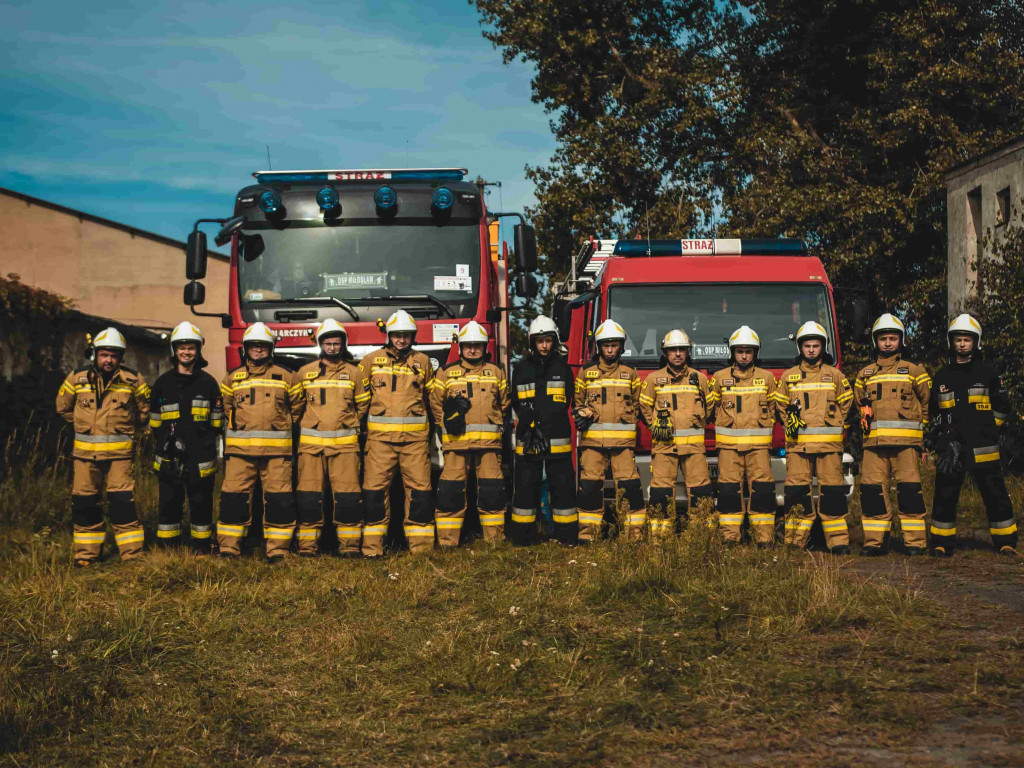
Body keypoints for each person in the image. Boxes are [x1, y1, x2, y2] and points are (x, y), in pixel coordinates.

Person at [55, 327, 151, 566]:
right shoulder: (76, 379)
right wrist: (85, 424)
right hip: (85, 457)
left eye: (114, 355)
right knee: (85, 504)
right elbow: (63, 408)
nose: (109, 360)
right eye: (104, 354)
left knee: (122, 503)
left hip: (120, 457)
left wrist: (126, 428)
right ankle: (86, 555)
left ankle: (132, 555)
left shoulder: (134, 380)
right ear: (95, 354)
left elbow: (144, 412)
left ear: (121, 357)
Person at [929, 314, 1018, 557]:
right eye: (958, 339)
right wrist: (941, 442)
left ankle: (1005, 542)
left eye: (967, 339)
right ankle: (941, 542)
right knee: (945, 495)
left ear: (976, 342)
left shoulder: (987, 373)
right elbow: (934, 414)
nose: (962, 344)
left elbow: (1002, 407)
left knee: (995, 494)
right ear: (951, 342)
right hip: (952, 449)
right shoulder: (942, 377)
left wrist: (990, 430)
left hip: (984, 447)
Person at [217, 322, 303, 562]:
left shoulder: (287, 377)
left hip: (277, 455)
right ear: (245, 349)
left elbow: (296, 410)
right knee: (234, 498)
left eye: (262, 346)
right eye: (253, 346)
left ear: (271, 348)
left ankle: (277, 550)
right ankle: (229, 548)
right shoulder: (232, 378)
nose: (258, 350)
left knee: (279, 500)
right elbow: (227, 409)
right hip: (240, 454)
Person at [358, 310, 436, 556]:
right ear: (389, 336)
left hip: (414, 442)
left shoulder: (422, 361)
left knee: (420, 491)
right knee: (374, 492)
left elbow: (431, 398)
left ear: (412, 337)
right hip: (379, 442)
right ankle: (372, 547)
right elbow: (360, 399)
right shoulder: (370, 361)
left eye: (406, 335)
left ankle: (420, 547)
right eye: (397, 335)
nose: (401, 340)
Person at [853, 313, 931, 556]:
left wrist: (923, 439)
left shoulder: (915, 371)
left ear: (901, 340)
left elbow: (928, 405)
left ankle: (915, 543)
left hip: (907, 445)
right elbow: (859, 407)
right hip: (874, 446)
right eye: (883, 338)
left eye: (893, 338)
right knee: (872, 493)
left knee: (910, 493)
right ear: (875, 341)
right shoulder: (864, 374)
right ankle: (875, 542)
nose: (888, 343)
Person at [776, 321, 854, 554]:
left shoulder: (836, 376)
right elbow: (780, 406)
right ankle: (794, 541)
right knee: (797, 495)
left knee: (833, 494)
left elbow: (847, 405)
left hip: (829, 447)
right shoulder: (788, 377)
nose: (811, 350)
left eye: (816, 345)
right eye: (807, 345)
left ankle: (838, 542)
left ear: (823, 347)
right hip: (798, 447)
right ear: (800, 348)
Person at [430, 321, 510, 546]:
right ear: (460, 347)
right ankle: (447, 542)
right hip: (456, 444)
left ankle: (495, 540)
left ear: (485, 347)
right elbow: (436, 404)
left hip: (489, 445)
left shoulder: (496, 372)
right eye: (468, 346)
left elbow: (504, 404)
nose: (472, 350)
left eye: (477, 345)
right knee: (450, 492)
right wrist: (447, 421)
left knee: (492, 492)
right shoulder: (445, 372)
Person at [294, 319, 370, 557]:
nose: (333, 348)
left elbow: (362, 406)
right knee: (309, 497)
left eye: (337, 343)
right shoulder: (304, 373)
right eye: (328, 343)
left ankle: (349, 547)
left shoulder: (355, 373)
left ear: (343, 344)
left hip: (345, 449)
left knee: (348, 498)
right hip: (311, 450)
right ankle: (307, 547)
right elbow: (296, 408)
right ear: (320, 344)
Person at [148, 322, 223, 554]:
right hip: (169, 456)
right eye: (182, 348)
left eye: (191, 348)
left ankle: (201, 549)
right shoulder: (162, 384)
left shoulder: (208, 384)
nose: (186, 352)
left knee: (201, 504)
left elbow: (217, 423)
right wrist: (165, 446)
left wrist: (207, 447)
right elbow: (155, 423)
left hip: (200, 456)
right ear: (174, 350)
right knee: (169, 503)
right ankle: (169, 549)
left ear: (198, 350)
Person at [639, 329, 715, 537]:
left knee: (700, 491)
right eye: (673, 350)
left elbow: (710, 409)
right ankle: (660, 537)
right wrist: (655, 427)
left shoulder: (699, 379)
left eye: (682, 349)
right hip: (664, 447)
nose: (678, 354)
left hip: (694, 449)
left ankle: (701, 536)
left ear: (688, 352)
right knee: (661, 492)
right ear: (665, 353)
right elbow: (644, 408)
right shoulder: (653, 380)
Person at [508, 315, 577, 545]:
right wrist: (528, 423)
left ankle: (566, 537)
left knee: (563, 490)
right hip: (528, 439)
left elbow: (566, 400)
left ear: (554, 341)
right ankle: (523, 538)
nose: (545, 346)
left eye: (548, 340)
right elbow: (515, 401)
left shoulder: (563, 368)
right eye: (540, 341)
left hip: (558, 440)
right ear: (533, 343)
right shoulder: (521, 369)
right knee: (525, 490)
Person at [573, 319, 644, 541]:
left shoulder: (630, 374)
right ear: (599, 347)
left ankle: (634, 536)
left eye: (614, 345)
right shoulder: (585, 373)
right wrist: (582, 414)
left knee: (630, 489)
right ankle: (588, 536)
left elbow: (638, 404)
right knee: (590, 489)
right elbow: (577, 403)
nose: (610, 349)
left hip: (623, 446)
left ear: (621, 346)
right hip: (593, 443)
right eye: (606, 345)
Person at [710, 326, 778, 546]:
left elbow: (775, 409)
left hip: (759, 448)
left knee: (763, 491)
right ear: (732, 353)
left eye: (748, 351)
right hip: (728, 449)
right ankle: (730, 537)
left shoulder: (767, 378)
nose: (744, 355)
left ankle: (764, 538)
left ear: (755, 353)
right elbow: (711, 408)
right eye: (740, 351)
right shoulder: (719, 378)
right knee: (729, 492)